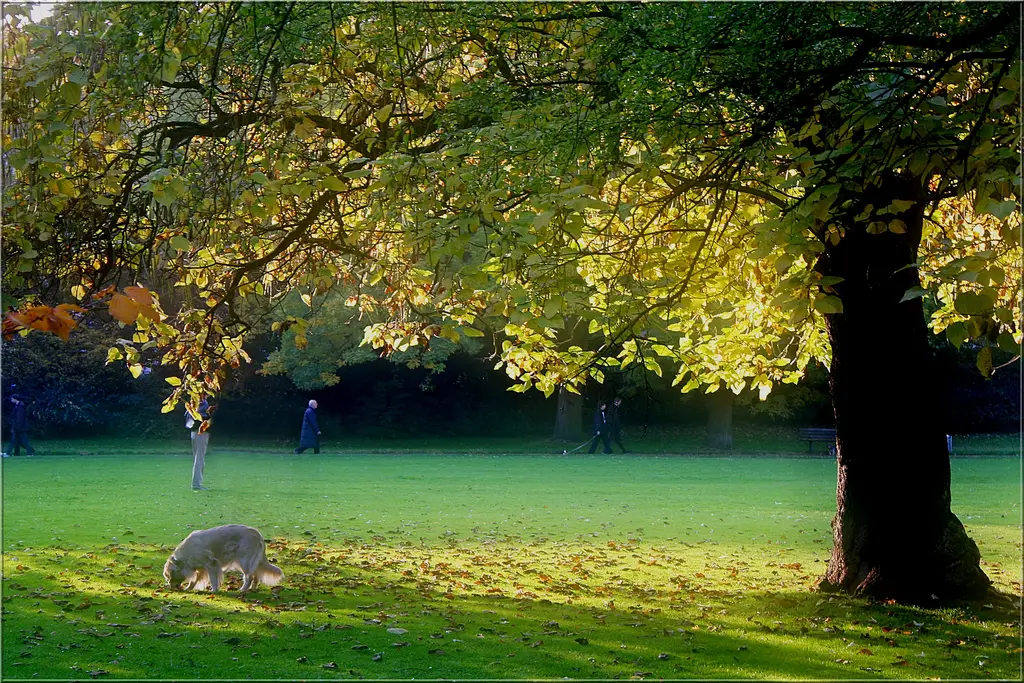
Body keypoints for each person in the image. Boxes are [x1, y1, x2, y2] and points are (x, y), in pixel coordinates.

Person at [185, 395, 212, 491]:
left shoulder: (195, 401)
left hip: (195, 432)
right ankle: (196, 484)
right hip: (200, 433)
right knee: (199, 458)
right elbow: (200, 417)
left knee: (198, 458)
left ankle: (197, 483)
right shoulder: (202, 402)